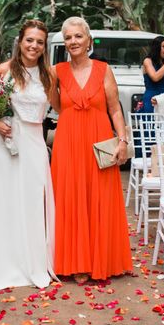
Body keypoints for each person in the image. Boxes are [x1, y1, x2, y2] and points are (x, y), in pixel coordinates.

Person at [51, 16, 132, 284]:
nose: (73, 41)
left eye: (78, 36)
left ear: (88, 40)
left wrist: (122, 140)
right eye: (68, 38)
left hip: (99, 140)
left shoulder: (103, 69)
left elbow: (114, 109)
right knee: (70, 198)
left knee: (99, 197)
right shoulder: (57, 71)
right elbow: (56, 104)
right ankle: (75, 263)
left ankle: (100, 260)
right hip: (68, 141)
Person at [0, 20, 55, 290]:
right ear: (20, 41)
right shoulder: (2, 70)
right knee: (6, 202)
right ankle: (7, 262)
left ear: (44, 46)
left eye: (39, 42)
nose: (34, 46)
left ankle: (34, 263)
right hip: (6, 142)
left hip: (35, 142)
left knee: (32, 203)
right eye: (30, 40)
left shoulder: (49, 74)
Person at [139, 36, 164, 116]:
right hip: (152, 98)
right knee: (152, 125)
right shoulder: (148, 61)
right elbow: (155, 77)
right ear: (157, 47)